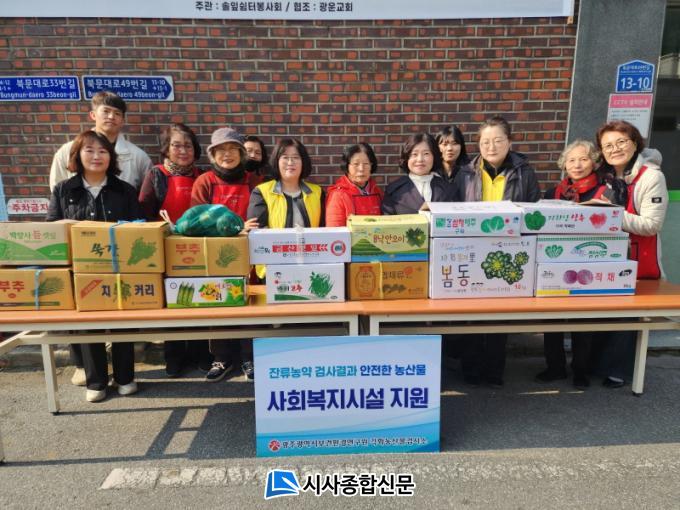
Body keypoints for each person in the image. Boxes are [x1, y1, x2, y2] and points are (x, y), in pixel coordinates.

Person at [49, 91, 153, 388]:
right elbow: (51, 228)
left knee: (122, 321)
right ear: (77, 154)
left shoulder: (124, 190)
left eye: (103, 152)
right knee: (86, 322)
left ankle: (125, 377)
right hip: (80, 267)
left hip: (119, 266)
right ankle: (95, 381)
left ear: (111, 157)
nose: (96, 156)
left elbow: (139, 227)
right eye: (90, 151)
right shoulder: (64, 190)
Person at [454, 116, 541, 387]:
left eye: (498, 140)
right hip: (472, 249)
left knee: (499, 314)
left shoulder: (524, 173)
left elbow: (534, 211)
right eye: (485, 142)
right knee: (469, 314)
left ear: (510, 142)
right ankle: (471, 370)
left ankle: (494, 372)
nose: (491, 147)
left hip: (509, 251)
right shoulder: (466, 172)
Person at [535, 140, 626, 389]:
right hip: (554, 263)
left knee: (583, 322)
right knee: (551, 320)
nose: (577, 165)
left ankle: (581, 370)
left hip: (591, 263)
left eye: (583, 159)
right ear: (564, 164)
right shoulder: (553, 193)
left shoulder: (605, 192)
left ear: (594, 162)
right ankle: (555, 367)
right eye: (571, 160)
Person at [592, 120, 668, 389]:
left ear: (635, 144)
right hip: (608, 258)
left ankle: (619, 371)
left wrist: (611, 215)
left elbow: (652, 225)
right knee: (605, 315)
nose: (615, 149)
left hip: (639, 261)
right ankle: (601, 366)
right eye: (608, 146)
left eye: (621, 142)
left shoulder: (651, 177)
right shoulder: (607, 178)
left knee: (627, 318)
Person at [138, 123, 213, 378]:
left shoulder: (203, 175)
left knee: (200, 300)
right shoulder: (156, 175)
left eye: (188, 146)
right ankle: (174, 357)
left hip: (199, 248)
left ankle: (202, 354)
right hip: (167, 248)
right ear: (166, 149)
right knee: (174, 303)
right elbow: (144, 212)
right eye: (177, 145)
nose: (183, 151)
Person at [191, 127, 259, 383]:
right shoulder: (205, 182)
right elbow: (195, 221)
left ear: (242, 154)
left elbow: (259, 217)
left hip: (249, 253)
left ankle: (249, 357)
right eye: (221, 150)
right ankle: (222, 357)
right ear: (213, 155)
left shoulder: (254, 181)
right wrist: (235, 227)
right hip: (215, 254)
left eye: (233, 149)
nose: (227, 154)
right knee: (218, 303)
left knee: (249, 304)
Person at [49, 90, 153, 192]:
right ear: (93, 115)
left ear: (122, 120)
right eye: (106, 111)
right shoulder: (68, 151)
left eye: (117, 113)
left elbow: (147, 196)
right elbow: (57, 189)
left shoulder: (139, 157)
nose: (111, 117)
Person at [248, 137, 325, 230]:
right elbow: (257, 232)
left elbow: (324, 229)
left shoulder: (317, 192)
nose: (290, 162)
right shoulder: (261, 192)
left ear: (303, 162)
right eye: (285, 157)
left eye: (295, 157)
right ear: (277, 161)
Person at [381, 133, 452, 215]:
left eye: (426, 153)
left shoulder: (447, 188)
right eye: (414, 154)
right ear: (407, 158)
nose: (420, 159)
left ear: (434, 156)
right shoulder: (393, 190)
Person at [325, 142, 383, 227]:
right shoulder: (338, 195)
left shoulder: (377, 191)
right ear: (347, 166)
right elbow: (334, 231)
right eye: (356, 164)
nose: (361, 169)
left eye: (366, 164)